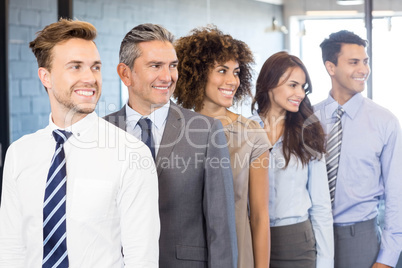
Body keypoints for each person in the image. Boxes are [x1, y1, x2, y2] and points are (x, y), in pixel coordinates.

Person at [0, 19, 160, 267]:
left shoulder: (130, 154)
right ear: (46, 77)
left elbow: (142, 258)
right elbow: (11, 250)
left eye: (95, 67)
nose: (90, 78)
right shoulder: (19, 154)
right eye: (75, 67)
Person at [104, 23, 238, 268]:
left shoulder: (206, 131)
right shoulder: (101, 131)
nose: (168, 77)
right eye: (156, 66)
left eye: (172, 66)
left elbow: (221, 226)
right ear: (125, 74)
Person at [173, 26, 270, 268]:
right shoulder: (172, 131)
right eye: (222, 70)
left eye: (236, 72)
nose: (232, 81)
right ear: (196, 74)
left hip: (238, 257)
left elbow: (259, 216)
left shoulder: (252, 135)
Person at [315, 30, 402, 268]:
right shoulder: (308, 119)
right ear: (331, 67)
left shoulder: (385, 122)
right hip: (310, 236)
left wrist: (388, 258)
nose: (363, 69)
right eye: (354, 62)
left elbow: (397, 195)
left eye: (365, 62)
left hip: (361, 238)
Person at [250, 51, 334, 268]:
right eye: (293, 85)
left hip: (297, 242)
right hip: (250, 238)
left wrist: (325, 262)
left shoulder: (309, 133)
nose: (300, 94)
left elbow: (321, 205)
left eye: (302, 88)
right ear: (270, 83)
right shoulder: (244, 130)